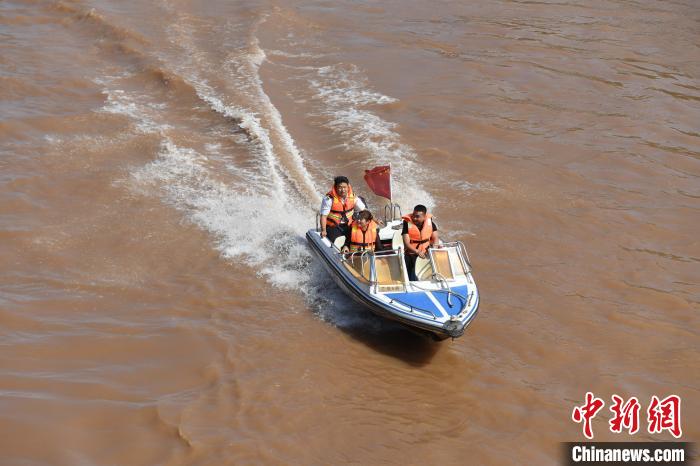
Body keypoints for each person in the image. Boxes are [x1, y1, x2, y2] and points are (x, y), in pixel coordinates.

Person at [319, 176, 367, 242]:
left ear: (348, 186)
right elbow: (323, 216)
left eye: (344, 187)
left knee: (360, 235)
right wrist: (323, 230)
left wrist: (374, 219)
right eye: (340, 187)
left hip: (349, 225)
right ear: (336, 187)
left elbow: (363, 210)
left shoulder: (353, 197)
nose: (343, 190)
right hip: (333, 227)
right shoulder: (329, 199)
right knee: (334, 241)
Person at [402, 204, 439, 281]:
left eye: (417, 216)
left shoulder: (430, 223)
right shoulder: (406, 224)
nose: (414, 218)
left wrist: (433, 250)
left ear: (424, 217)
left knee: (426, 276)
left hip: (426, 254)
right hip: (411, 254)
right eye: (413, 215)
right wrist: (417, 251)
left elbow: (435, 239)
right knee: (410, 277)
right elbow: (406, 243)